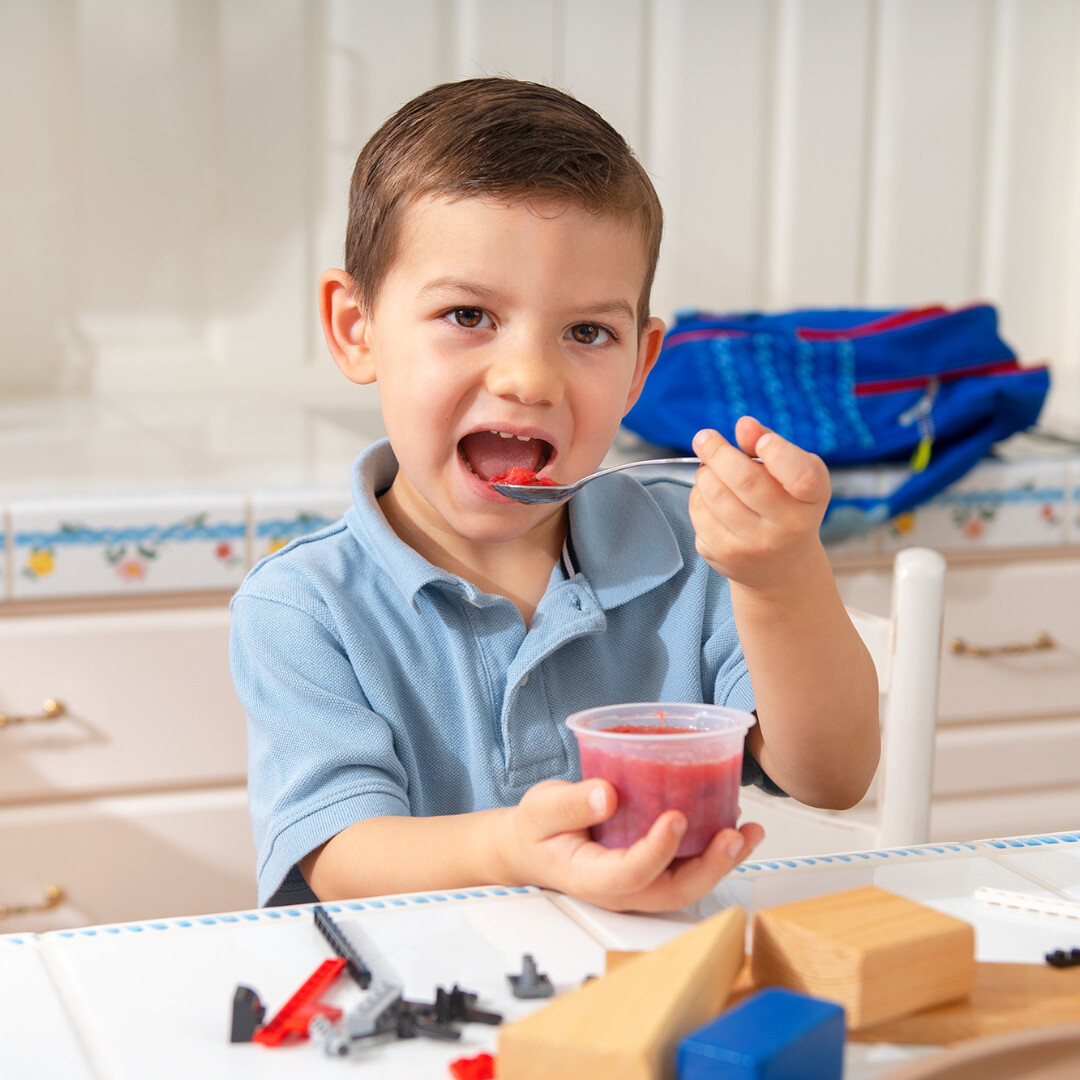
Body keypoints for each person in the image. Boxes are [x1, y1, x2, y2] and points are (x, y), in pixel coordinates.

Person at [230, 77, 879, 913]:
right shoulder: (303, 608)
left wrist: (784, 578)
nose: (530, 378)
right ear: (357, 329)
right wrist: (515, 848)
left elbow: (833, 777)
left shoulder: (696, 554)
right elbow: (338, 858)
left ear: (642, 365)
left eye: (586, 333)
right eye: (468, 315)